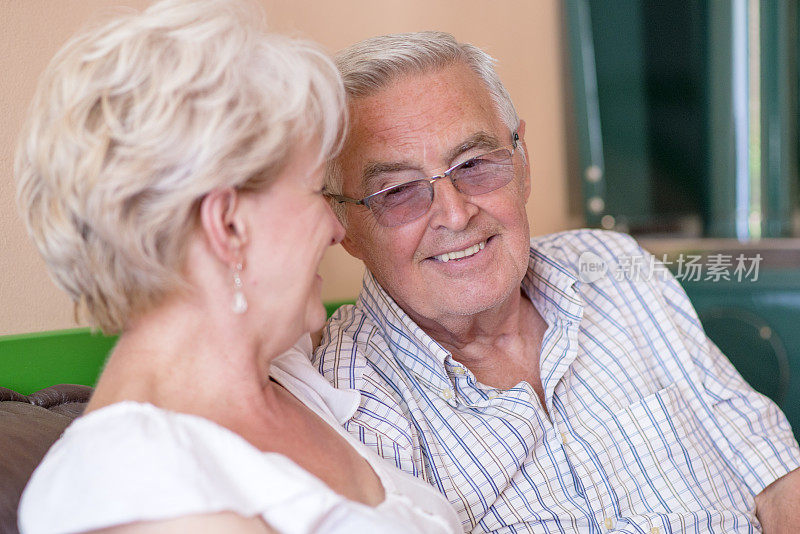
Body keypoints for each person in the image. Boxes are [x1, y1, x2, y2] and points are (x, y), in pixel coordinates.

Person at [313, 31, 800, 533]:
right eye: (397, 191)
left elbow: (778, 476)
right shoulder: (351, 398)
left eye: (475, 165)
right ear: (344, 226)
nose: (455, 214)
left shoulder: (612, 265)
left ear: (522, 163)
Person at [14, 4, 461, 533]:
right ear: (226, 225)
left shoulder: (287, 377)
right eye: (317, 190)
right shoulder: (137, 484)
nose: (338, 228)